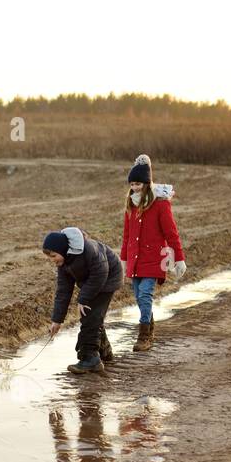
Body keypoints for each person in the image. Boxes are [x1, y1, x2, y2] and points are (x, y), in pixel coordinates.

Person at [121, 156, 187, 353]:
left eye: (138, 183)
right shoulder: (130, 205)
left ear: (147, 183)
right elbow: (127, 236)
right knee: (139, 297)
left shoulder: (160, 205)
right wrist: (123, 259)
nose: (135, 188)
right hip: (135, 259)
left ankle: (143, 337)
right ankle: (149, 328)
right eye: (132, 184)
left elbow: (171, 233)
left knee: (145, 294)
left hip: (154, 259)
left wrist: (179, 258)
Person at [43, 227, 123, 375]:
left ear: (62, 250)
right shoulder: (64, 263)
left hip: (109, 277)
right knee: (94, 316)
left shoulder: (88, 250)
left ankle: (90, 359)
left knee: (89, 316)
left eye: (54, 256)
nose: (53, 261)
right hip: (92, 281)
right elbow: (63, 292)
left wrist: (83, 298)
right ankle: (104, 351)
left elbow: (101, 273)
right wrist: (57, 320)